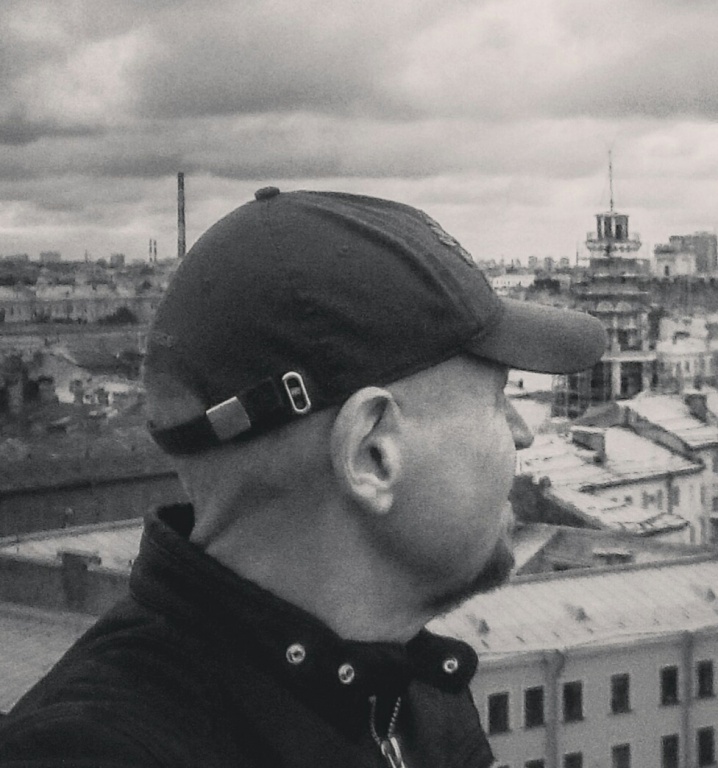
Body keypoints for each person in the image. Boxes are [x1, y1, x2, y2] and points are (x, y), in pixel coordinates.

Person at [0, 188, 606, 767]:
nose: (523, 433)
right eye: (498, 399)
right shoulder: (98, 752)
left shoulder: (409, 688)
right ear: (372, 455)